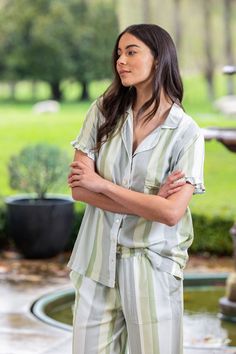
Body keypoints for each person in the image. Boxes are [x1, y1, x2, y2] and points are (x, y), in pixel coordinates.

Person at [67, 24, 205, 354]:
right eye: (119, 54)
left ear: (159, 60)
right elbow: (79, 190)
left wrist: (101, 184)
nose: (121, 61)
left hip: (153, 266)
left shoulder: (186, 133)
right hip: (95, 261)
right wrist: (149, 202)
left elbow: (171, 213)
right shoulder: (103, 111)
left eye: (132, 52)